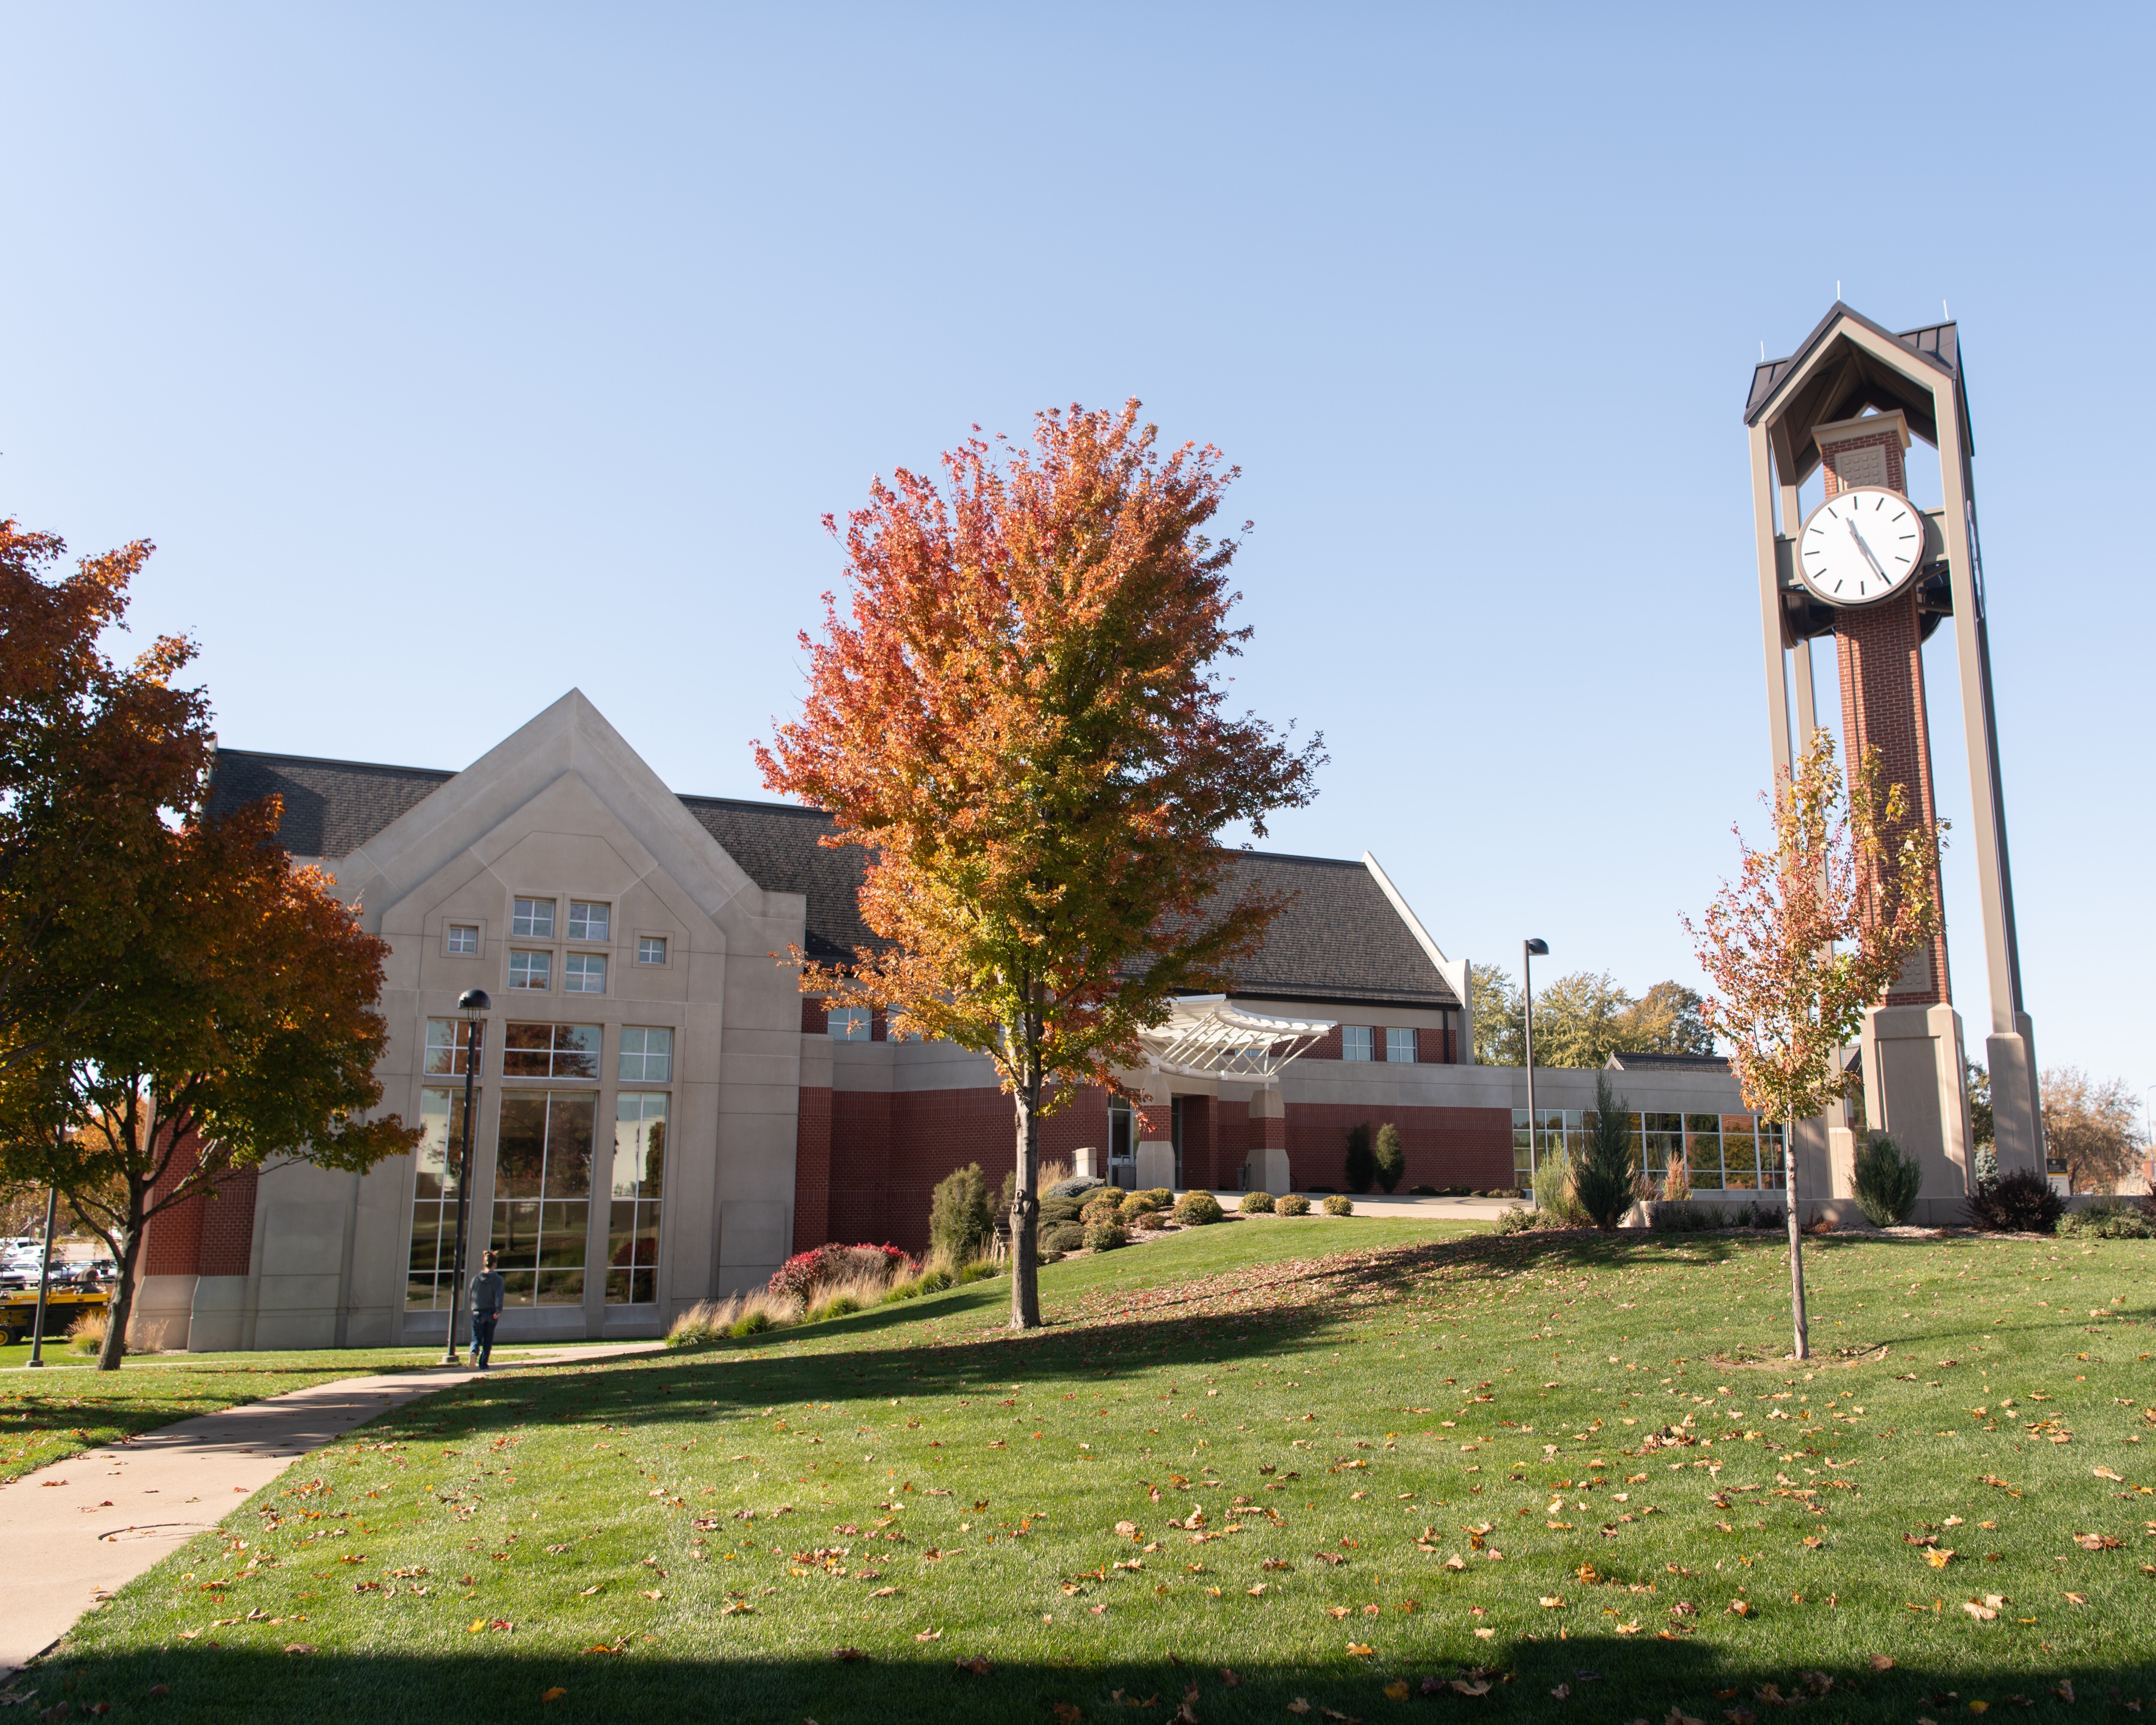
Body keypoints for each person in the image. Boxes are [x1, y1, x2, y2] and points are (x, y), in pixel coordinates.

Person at [469, 1250, 505, 1370]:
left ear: (484, 1263)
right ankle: (483, 1364)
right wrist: (498, 1310)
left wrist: (474, 1307)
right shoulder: (499, 1280)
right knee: (488, 1340)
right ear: (494, 1264)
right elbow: (499, 1296)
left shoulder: (476, 1279)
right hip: (491, 1313)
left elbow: (471, 1295)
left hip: (478, 1312)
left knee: (476, 1338)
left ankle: (474, 1352)